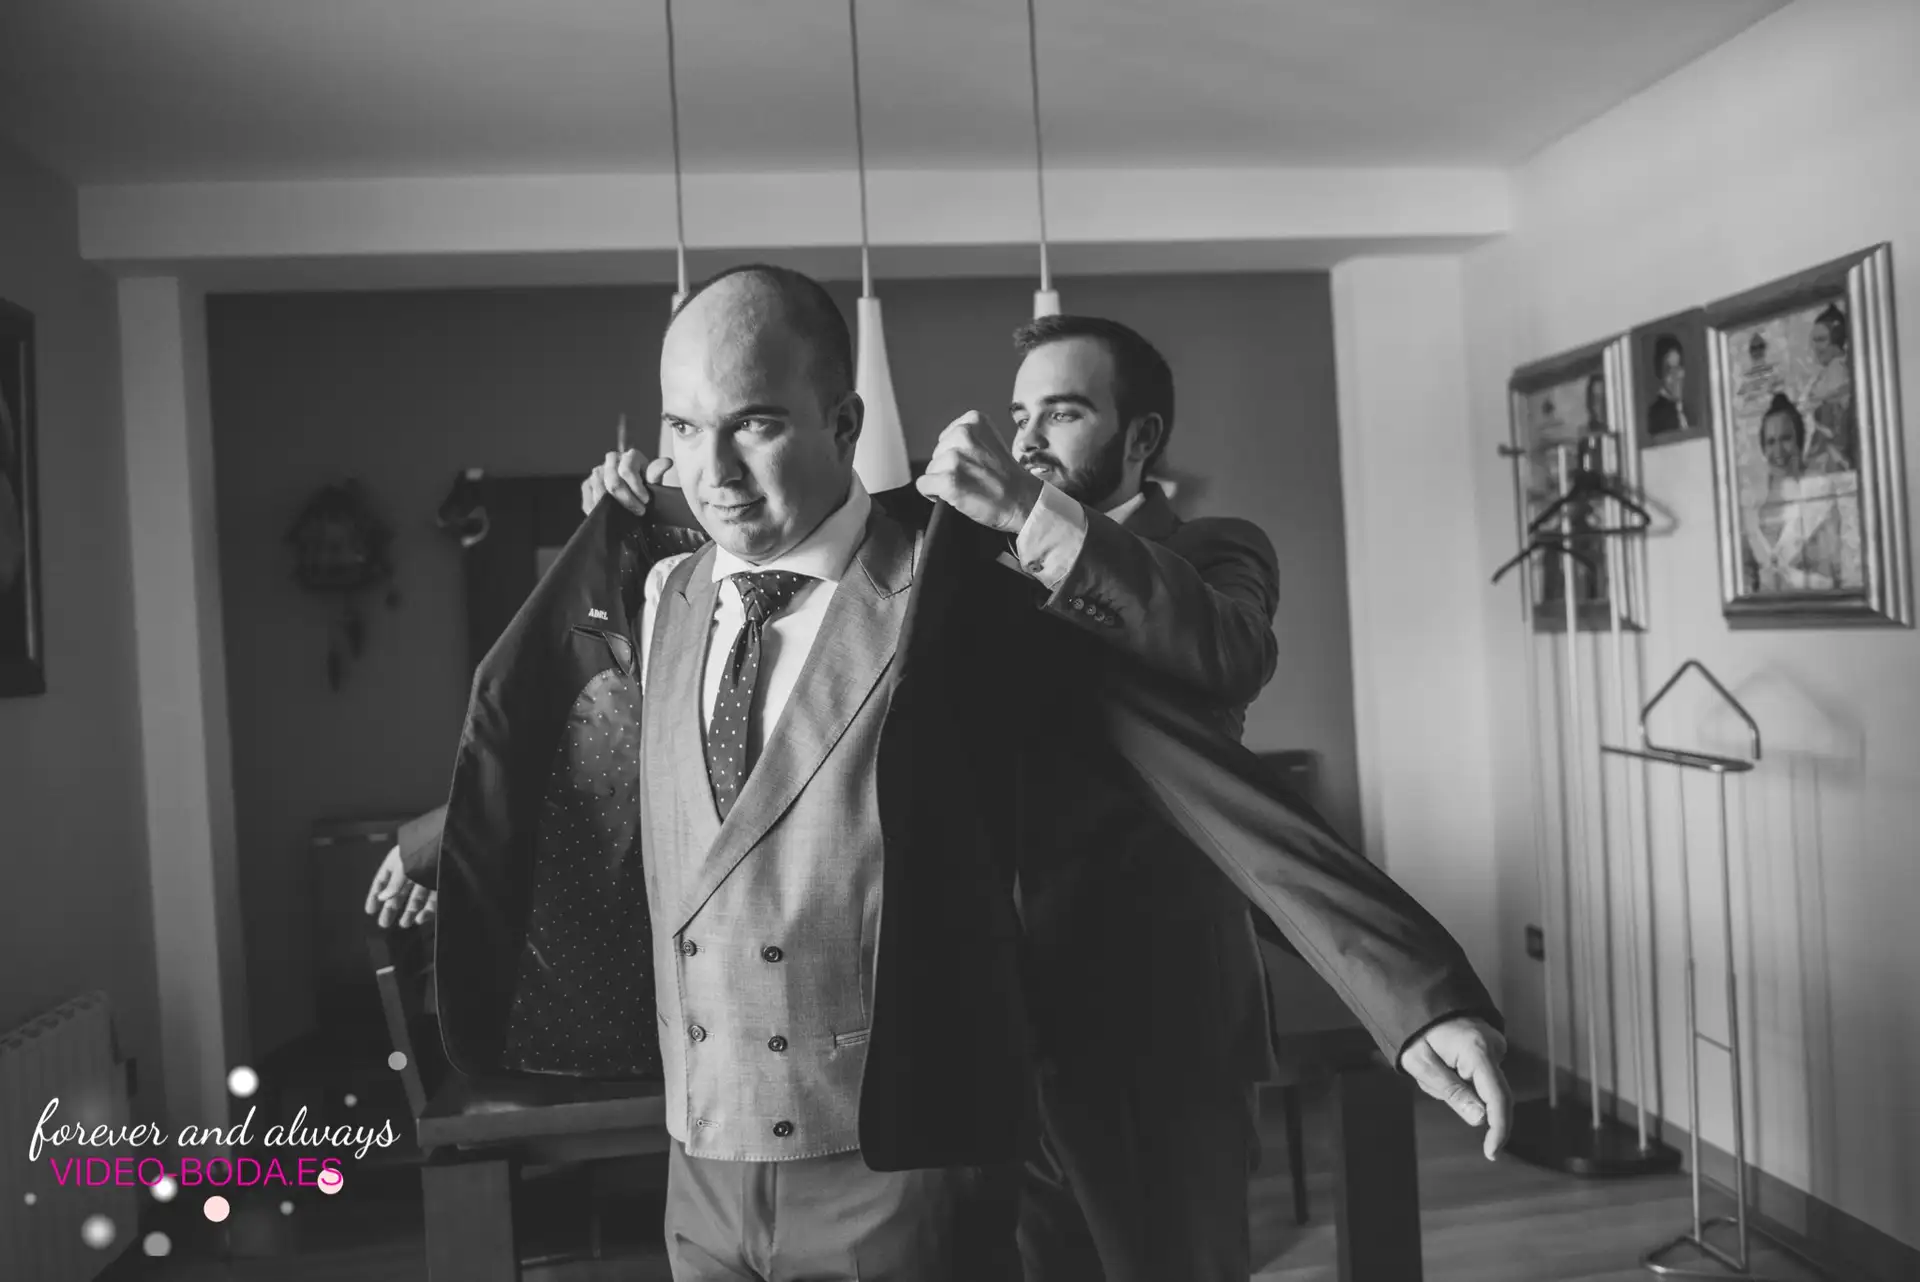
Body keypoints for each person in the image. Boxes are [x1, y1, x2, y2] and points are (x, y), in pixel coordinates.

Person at [382, 265, 1510, 1280]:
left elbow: (1212, 779)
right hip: (703, 1168)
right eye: (685, 428)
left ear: (844, 422)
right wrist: (436, 847)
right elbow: (603, 762)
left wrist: (1415, 998)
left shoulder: (972, 589)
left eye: (756, 424)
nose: (712, 472)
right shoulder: (665, 593)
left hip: (915, 1149)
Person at [1646, 332, 1690, 438]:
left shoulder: (1688, 410)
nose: (1676, 376)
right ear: (1660, 374)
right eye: (1669, 370)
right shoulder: (1656, 414)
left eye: (1678, 368)